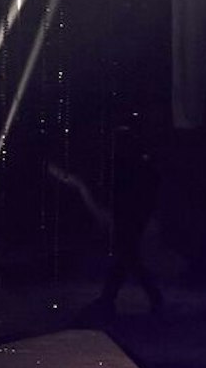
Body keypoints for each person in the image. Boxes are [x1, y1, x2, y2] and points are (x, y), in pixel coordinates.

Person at [50, 119, 166, 318]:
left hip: (133, 215)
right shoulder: (132, 164)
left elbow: (143, 191)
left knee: (127, 256)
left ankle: (121, 299)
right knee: (127, 256)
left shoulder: (135, 165)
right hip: (131, 214)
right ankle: (114, 298)